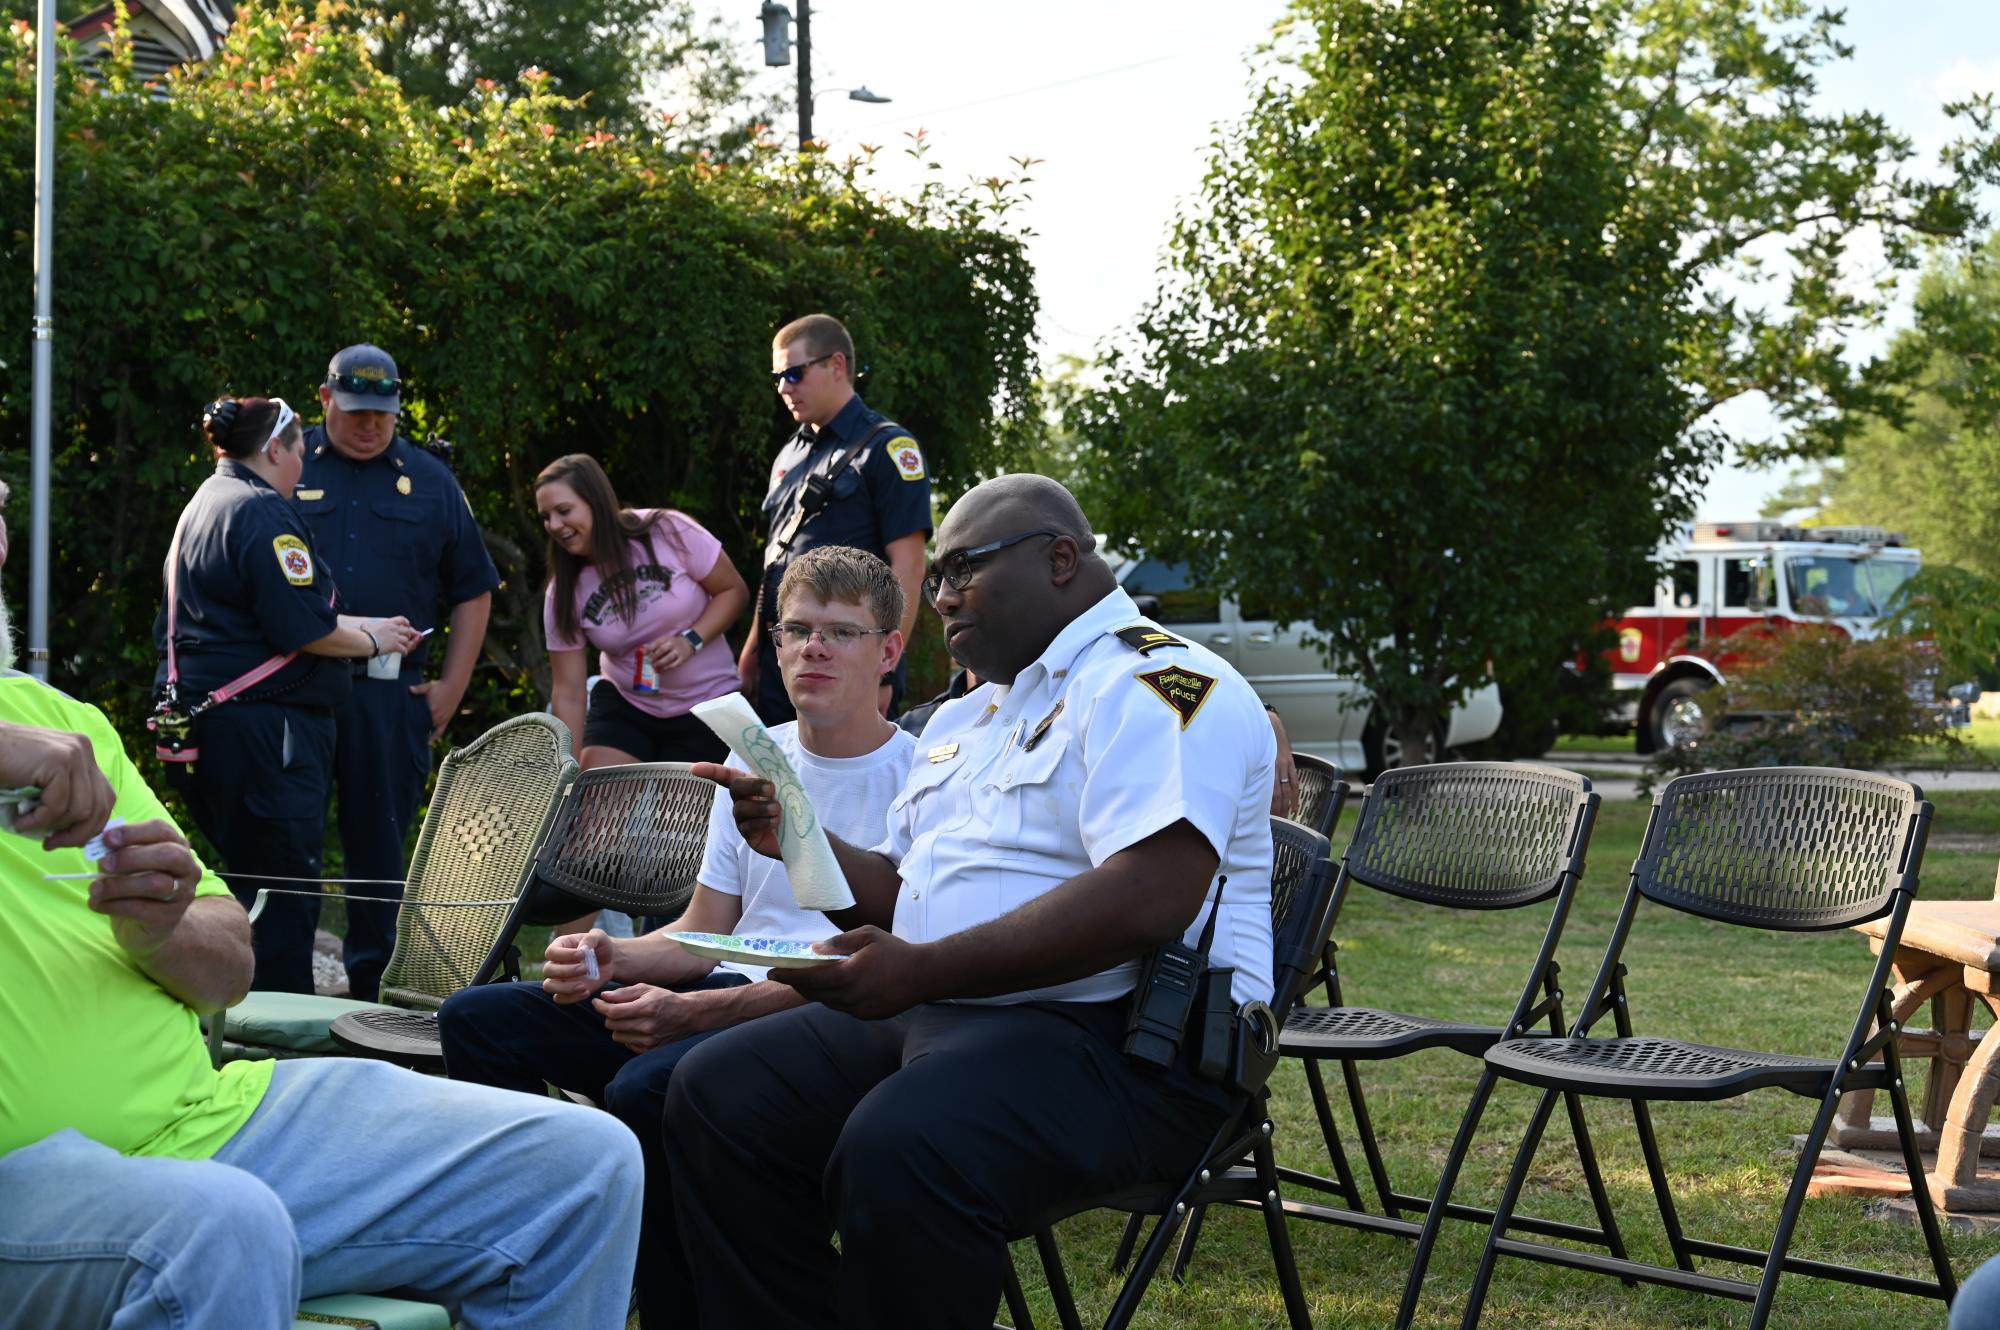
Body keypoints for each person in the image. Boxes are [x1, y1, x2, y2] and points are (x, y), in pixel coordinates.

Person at [0, 518, 644, 1330]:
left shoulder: (63, 727)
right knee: (222, 1228)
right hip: (35, 1183)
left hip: (209, 1120)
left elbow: (231, 960)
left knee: (582, 1164)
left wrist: (159, 929)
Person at [667, 473, 1277, 1330]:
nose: (939, 595)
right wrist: (795, 835)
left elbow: (1153, 896)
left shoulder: (1160, 687)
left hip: (1132, 1050)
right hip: (956, 1010)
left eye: (962, 570)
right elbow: (902, 893)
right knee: (717, 1094)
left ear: (1060, 559)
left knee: (903, 1145)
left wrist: (918, 972)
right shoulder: (970, 714)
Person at [441, 544, 915, 1330]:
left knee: (645, 1087)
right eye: (797, 630)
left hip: (828, 1025)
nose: (813, 649)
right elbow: (705, 928)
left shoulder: (917, 776)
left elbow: (874, 968)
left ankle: (674, 1308)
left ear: (890, 650)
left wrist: (691, 1013)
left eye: (841, 632)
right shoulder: (754, 755)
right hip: (723, 985)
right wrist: (611, 955)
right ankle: (548, 1249)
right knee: (476, 1021)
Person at [154, 396, 422, 994]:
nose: (305, 461)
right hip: (264, 733)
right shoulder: (261, 512)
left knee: (249, 884)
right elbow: (305, 629)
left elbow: (262, 618)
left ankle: (238, 1026)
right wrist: (373, 638)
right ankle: (281, 1046)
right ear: (276, 448)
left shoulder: (206, 501)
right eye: (300, 448)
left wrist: (366, 628)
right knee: (282, 895)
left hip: (213, 726)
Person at [296, 343, 502, 1001]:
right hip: (294, 689)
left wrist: (451, 687)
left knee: (379, 851)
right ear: (325, 399)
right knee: (288, 839)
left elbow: (473, 587)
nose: (368, 425)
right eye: (355, 411)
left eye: (381, 414)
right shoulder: (285, 463)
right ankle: (278, 988)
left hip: (389, 695)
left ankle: (372, 995)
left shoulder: (431, 479)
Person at [741, 314, 932, 724]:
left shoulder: (888, 448)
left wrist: (884, 668)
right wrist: (755, 647)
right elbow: (776, 560)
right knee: (779, 782)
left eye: (794, 373)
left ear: (837, 365)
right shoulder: (790, 453)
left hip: (848, 659)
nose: (783, 388)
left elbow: (909, 566)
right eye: (777, 377)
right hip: (786, 652)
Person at [536, 453, 748, 772]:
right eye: (545, 516)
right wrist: (565, 768)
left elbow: (734, 591)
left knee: (678, 816)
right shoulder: (562, 592)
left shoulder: (665, 530)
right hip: (627, 705)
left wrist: (690, 640)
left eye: (563, 511)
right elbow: (568, 692)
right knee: (596, 811)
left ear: (595, 501)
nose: (554, 525)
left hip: (707, 704)